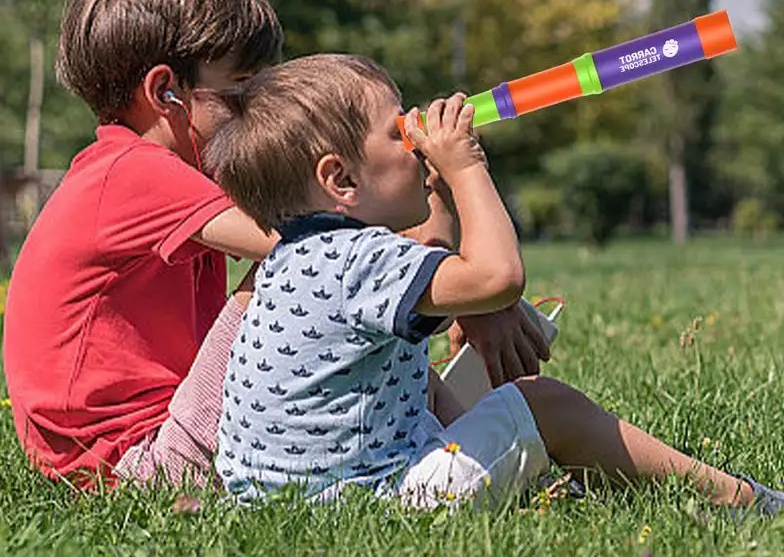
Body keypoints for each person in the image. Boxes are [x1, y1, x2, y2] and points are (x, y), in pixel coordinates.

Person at [2, 0, 543, 490]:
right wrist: (475, 292)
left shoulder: (162, 171)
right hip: (130, 462)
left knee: (336, 288)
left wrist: (442, 235)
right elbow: (336, 245)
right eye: (243, 92)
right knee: (310, 264)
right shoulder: (130, 171)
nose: (263, 119)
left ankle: (449, 434)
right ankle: (462, 438)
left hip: (144, 442)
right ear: (166, 92)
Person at [206, 53, 784, 514]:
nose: (416, 142)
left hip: (299, 502)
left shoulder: (303, 257)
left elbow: (427, 256)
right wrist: (465, 168)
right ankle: (740, 500)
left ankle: (543, 473)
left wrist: (433, 184)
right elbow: (496, 278)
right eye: (397, 133)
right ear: (340, 178)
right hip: (374, 500)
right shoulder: (355, 260)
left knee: (413, 375)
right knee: (541, 401)